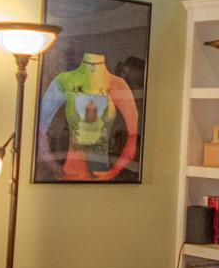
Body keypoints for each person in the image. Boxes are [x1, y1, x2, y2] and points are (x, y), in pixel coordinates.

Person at [36, 52, 141, 181]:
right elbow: (39, 129)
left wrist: (114, 172)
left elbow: (133, 136)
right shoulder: (64, 80)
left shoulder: (118, 84)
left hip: (102, 177)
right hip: (69, 176)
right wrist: (53, 166)